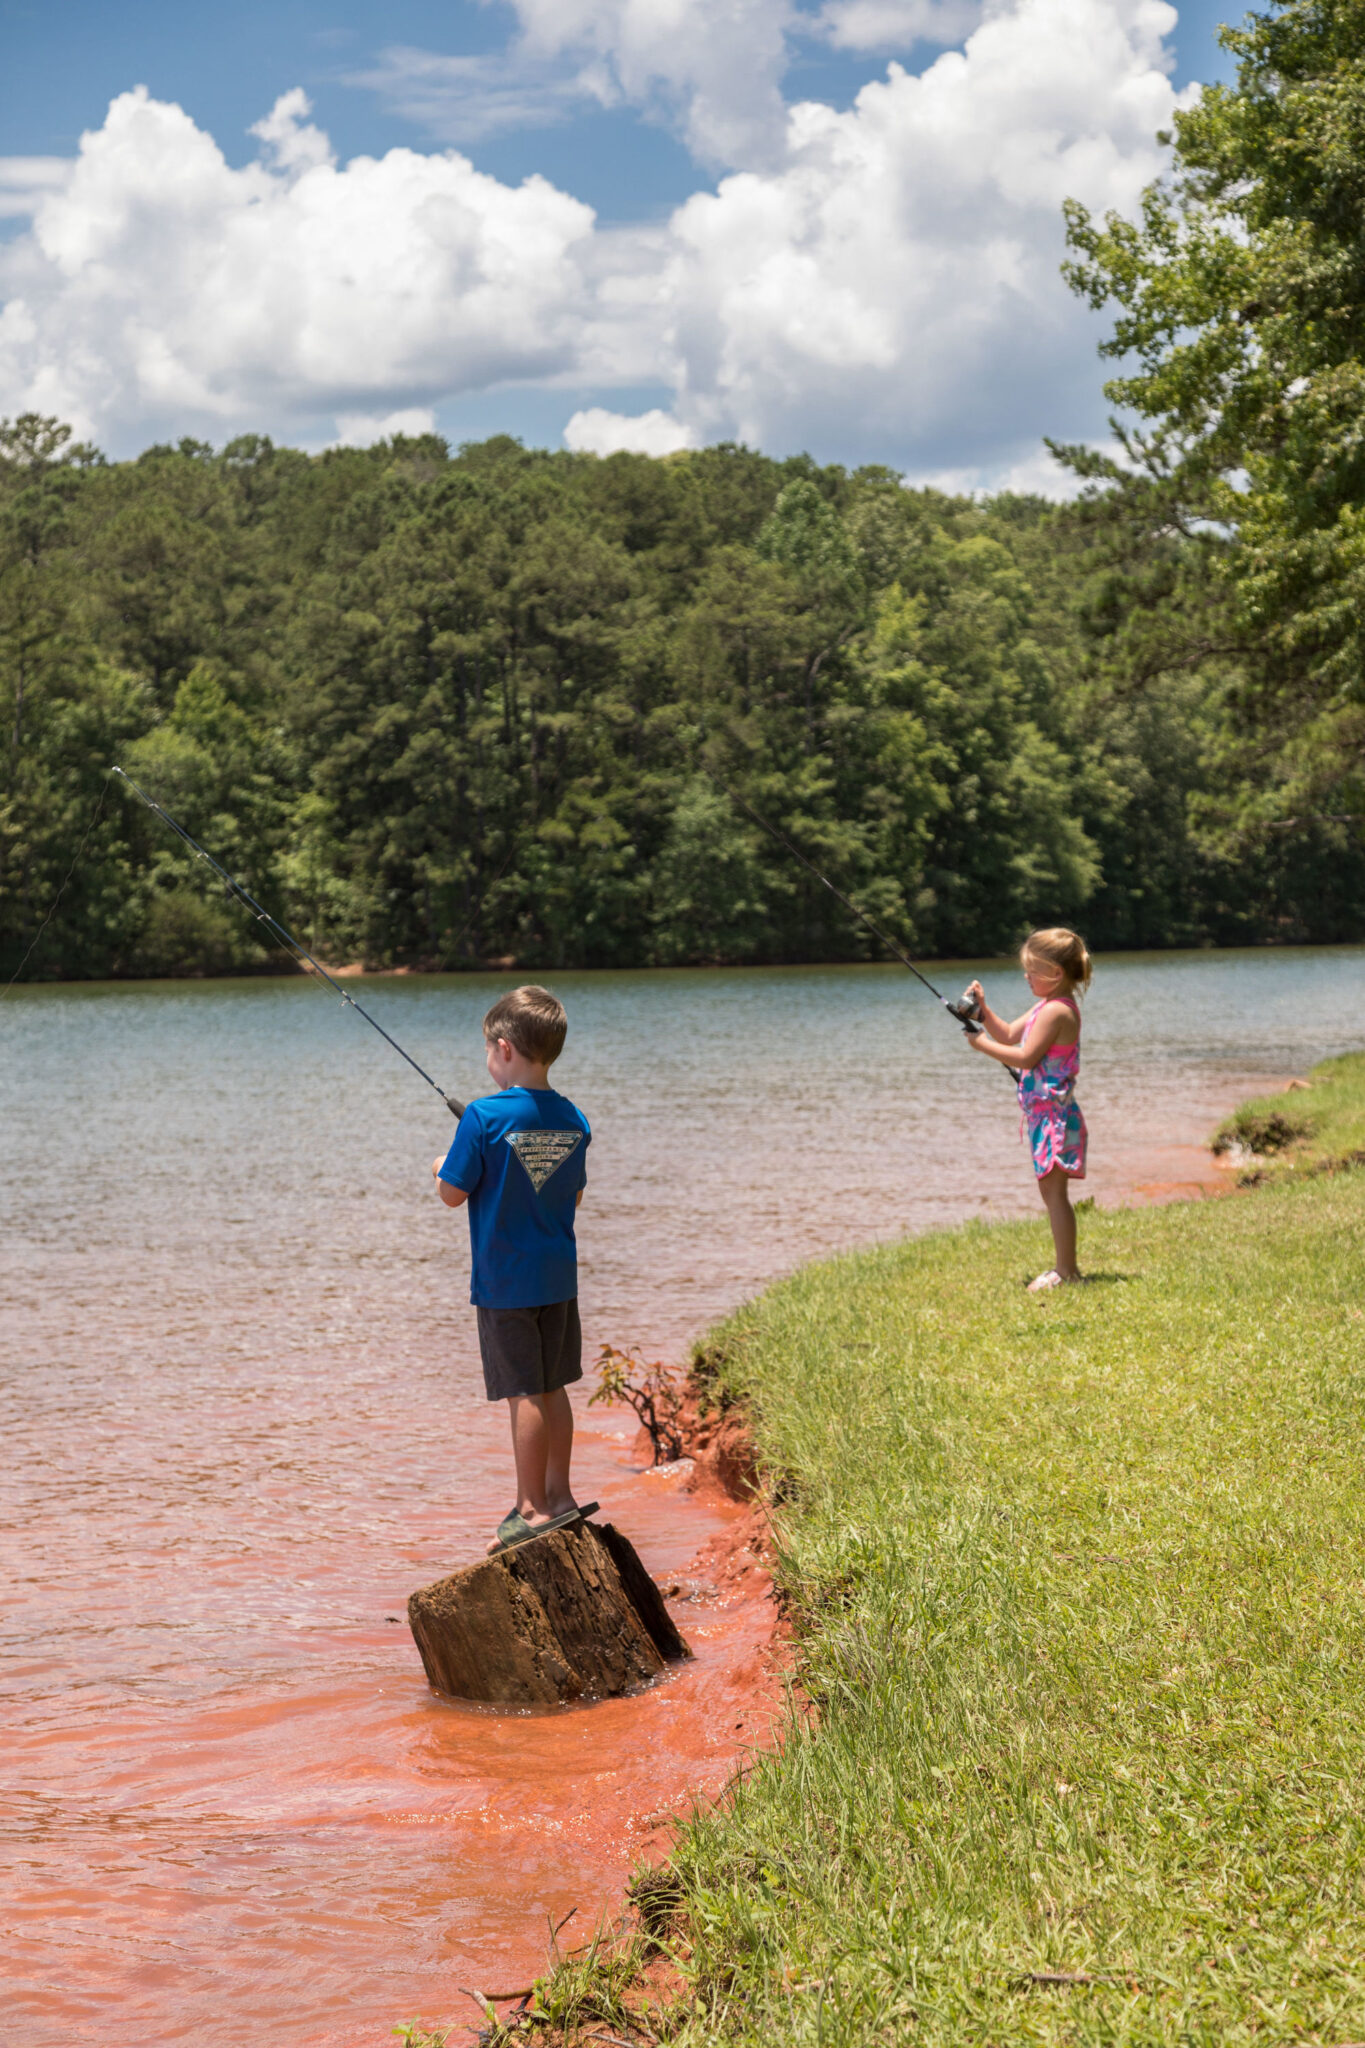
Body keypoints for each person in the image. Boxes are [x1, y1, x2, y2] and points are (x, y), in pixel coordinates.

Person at [432, 984, 597, 1553]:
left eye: (486, 1049)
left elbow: (452, 1193)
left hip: (505, 1283)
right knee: (554, 1388)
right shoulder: (574, 1119)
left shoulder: (481, 1117)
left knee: (522, 1392)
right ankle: (562, 1497)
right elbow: (571, 1195)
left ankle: (528, 1509)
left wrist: (441, 1163)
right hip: (558, 1280)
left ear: (503, 1048)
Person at [963, 928, 1092, 1292]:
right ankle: (1064, 1267)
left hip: (1055, 1118)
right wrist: (983, 1011)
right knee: (1049, 1192)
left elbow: (1025, 1056)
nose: (1027, 977)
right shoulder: (1045, 1006)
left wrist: (981, 1045)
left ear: (1056, 973)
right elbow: (1008, 1035)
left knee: (1055, 1195)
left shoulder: (1057, 1011)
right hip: (1045, 1117)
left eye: (1033, 970)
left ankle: (1066, 1271)